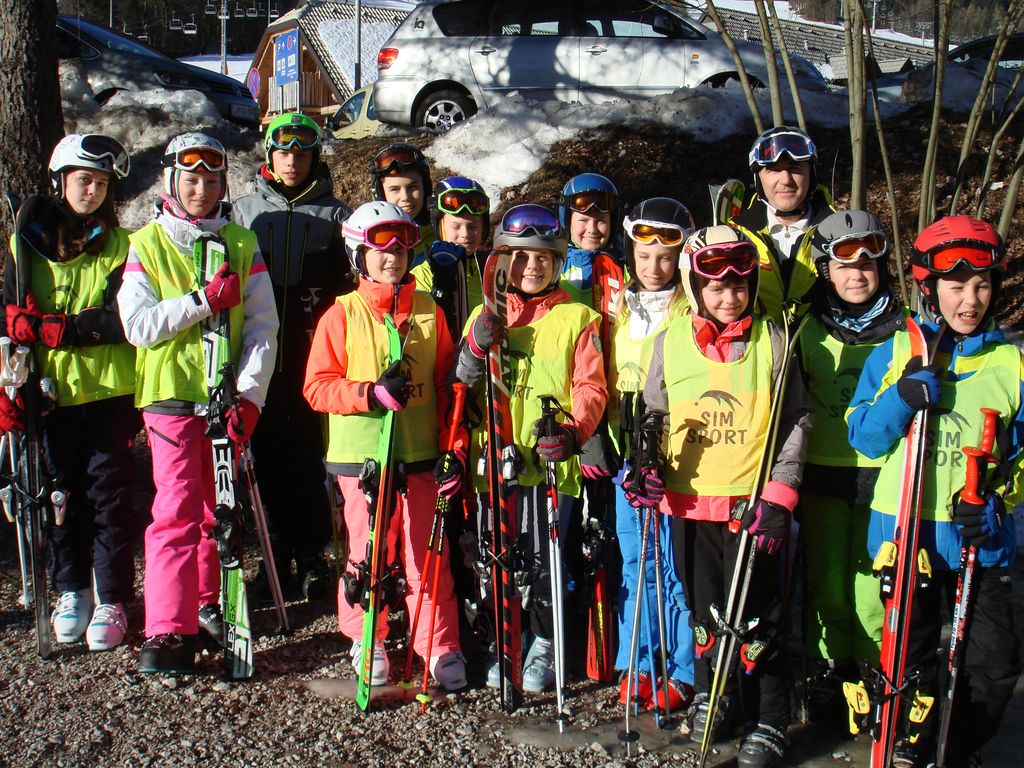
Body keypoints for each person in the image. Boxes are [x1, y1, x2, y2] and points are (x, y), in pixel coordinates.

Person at [846, 215, 1022, 768]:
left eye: (982, 285)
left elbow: (1021, 459)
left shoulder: (1012, 363)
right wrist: (900, 398)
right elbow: (863, 438)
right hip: (905, 535)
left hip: (978, 539)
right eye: (956, 286)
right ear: (928, 287)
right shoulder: (896, 351)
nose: (970, 300)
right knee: (910, 654)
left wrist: (999, 502)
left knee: (993, 664)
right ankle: (910, 744)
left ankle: (958, 747)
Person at [644, 225, 812, 768]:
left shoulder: (774, 340)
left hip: (752, 502)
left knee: (759, 615)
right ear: (696, 288)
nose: (728, 297)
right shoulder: (669, 340)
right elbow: (654, 411)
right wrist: (646, 463)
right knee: (704, 609)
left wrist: (780, 493)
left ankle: (770, 715)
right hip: (691, 501)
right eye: (715, 287)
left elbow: (796, 418)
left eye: (739, 286)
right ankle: (717, 695)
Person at [118, 132, 279, 673]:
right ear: (171, 181)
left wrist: (251, 397)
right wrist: (202, 301)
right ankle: (167, 627)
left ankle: (208, 602)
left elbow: (262, 327)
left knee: (219, 508)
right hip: (170, 396)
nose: (202, 190)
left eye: (212, 180)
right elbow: (139, 326)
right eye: (191, 179)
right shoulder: (146, 244)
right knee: (177, 511)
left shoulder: (241, 241)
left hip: (225, 395)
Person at [303, 200, 467, 691]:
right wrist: (368, 394)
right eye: (380, 248)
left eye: (400, 247)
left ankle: (437, 643)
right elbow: (317, 387)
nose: (391, 257)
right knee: (368, 549)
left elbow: (446, 386)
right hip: (362, 457)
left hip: (419, 451)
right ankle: (366, 637)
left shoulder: (428, 310)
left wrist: (455, 446)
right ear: (359, 254)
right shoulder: (342, 313)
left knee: (425, 552)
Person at [456, 204, 608, 692]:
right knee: (494, 555)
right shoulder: (483, 313)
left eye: (544, 258)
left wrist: (573, 432)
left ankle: (544, 641)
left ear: (558, 262)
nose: (532, 267)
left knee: (544, 559)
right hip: (494, 459)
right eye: (521, 258)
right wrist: (474, 348)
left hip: (548, 464)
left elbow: (591, 388)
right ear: (504, 261)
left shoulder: (577, 316)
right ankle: (504, 639)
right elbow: (460, 386)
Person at [2, 134, 138, 651]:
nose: (92, 192)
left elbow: (123, 316)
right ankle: (71, 588)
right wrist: (15, 350)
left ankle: (112, 596)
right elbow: (9, 310)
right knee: (59, 493)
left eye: (102, 184)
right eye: (84, 181)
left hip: (109, 392)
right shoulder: (29, 243)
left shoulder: (122, 244)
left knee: (110, 496)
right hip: (50, 392)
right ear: (60, 182)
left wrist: (68, 330)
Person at [233, 112, 353, 601]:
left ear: (314, 157)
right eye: (283, 152)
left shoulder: (336, 215)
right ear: (269, 153)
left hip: (312, 356)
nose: (292, 162)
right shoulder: (243, 211)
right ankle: (274, 557)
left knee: (308, 458)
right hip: (259, 358)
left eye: (302, 153)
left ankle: (311, 555)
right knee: (265, 458)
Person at [796, 210, 905, 726]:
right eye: (844, 263)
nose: (857, 273)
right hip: (823, 472)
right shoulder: (807, 331)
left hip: (885, 477)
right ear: (825, 270)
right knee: (829, 580)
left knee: (872, 585)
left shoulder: (907, 332)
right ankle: (830, 669)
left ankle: (874, 668)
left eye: (868, 262)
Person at [609, 197, 695, 711]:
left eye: (666, 257)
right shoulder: (619, 308)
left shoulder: (692, 308)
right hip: (628, 455)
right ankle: (638, 660)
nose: (654, 267)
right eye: (644, 256)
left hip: (676, 457)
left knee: (675, 565)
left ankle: (683, 666)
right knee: (636, 560)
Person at [727, 126, 836, 325]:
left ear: (811, 173)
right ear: (758, 177)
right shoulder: (736, 236)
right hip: (756, 342)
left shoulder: (837, 233)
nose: (786, 180)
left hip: (823, 341)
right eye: (774, 170)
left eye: (795, 168)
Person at [411, 176, 489, 339]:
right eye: (456, 226)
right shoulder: (421, 277)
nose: (465, 234)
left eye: (473, 226)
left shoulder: (492, 272)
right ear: (439, 227)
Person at [369, 142, 433, 258]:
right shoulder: (370, 244)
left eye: (413, 187)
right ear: (380, 193)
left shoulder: (444, 235)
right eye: (395, 189)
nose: (405, 197)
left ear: (425, 188)